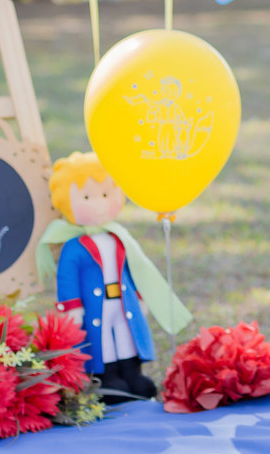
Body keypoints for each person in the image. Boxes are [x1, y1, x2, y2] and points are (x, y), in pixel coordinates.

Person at [36, 151, 191, 404]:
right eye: (87, 197)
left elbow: (133, 270)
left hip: (123, 301)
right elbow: (67, 279)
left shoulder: (119, 237)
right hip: (95, 307)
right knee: (102, 339)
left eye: (106, 194)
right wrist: (72, 308)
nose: (99, 204)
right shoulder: (74, 247)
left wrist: (139, 296)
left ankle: (133, 373)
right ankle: (108, 378)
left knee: (126, 335)